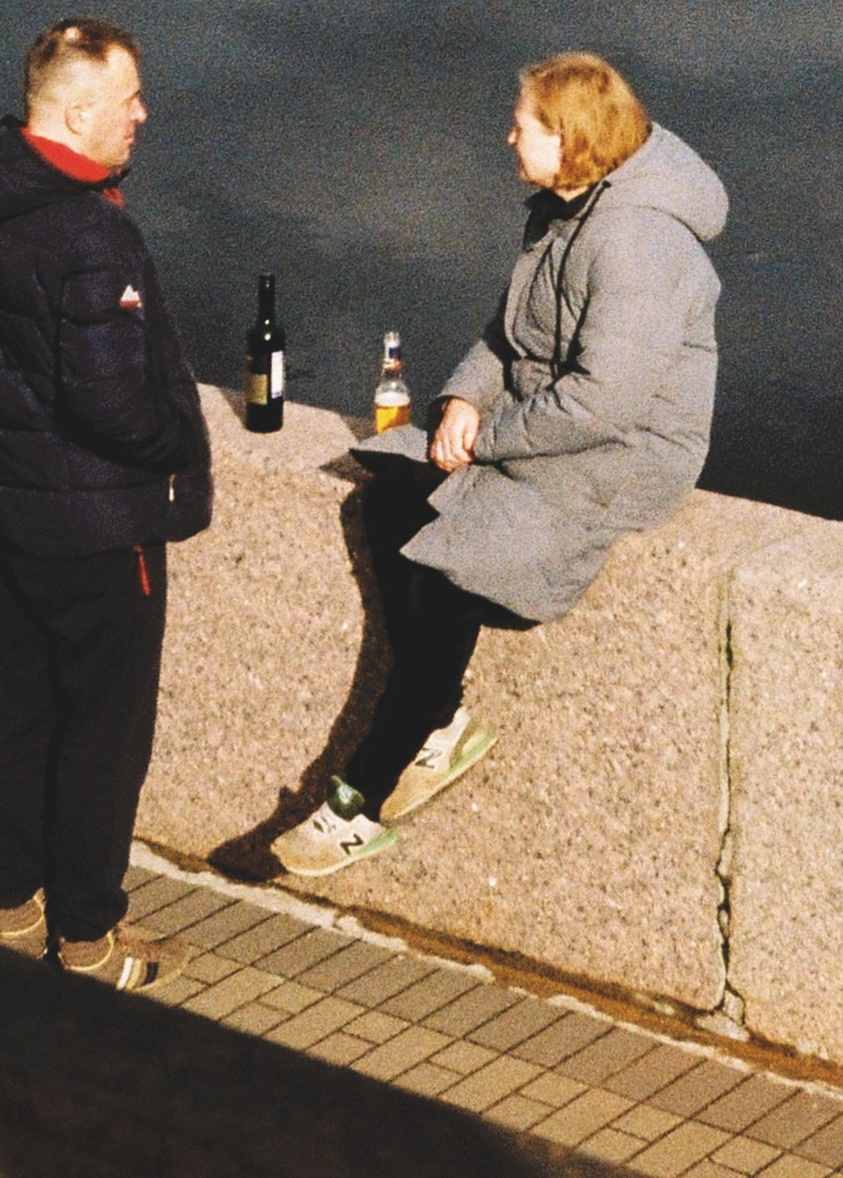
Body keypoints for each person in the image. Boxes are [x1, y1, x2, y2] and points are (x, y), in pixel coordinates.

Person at [276, 53, 725, 883]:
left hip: (621, 457)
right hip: (548, 426)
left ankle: (359, 802)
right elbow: (503, 337)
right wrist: (461, 402)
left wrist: (484, 442)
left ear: (570, 141)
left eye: (523, 124)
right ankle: (439, 723)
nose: (507, 134)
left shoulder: (637, 242)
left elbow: (604, 405)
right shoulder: (566, 212)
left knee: (452, 568)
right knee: (388, 494)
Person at [0, 17, 211, 988]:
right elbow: (108, 401)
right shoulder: (92, 230)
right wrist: (179, 436)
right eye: (127, 97)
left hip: (6, 510)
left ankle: (12, 906)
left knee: (23, 706)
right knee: (104, 733)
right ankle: (88, 937)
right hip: (95, 525)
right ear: (76, 109)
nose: (141, 113)